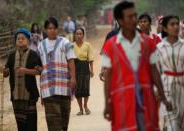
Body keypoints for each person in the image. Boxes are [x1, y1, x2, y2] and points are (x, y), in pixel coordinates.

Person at [101, 1, 172, 131]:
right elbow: (108, 77)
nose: (134, 20)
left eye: (135, 16)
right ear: (120, 20)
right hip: (122, 101)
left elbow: (154, 71)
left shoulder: (148, 43)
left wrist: (163, 96)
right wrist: (107, 103)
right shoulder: (109, 46)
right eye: (130, 17)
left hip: (146, 99)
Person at [0, 28, 42, 131]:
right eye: (18, 38)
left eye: (23, 38)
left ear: (28, 40)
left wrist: (26, 71)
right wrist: (3, 71)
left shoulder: (33, 55)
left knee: (31, 125)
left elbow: (39, 71)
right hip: (16, 95)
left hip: (30, 95)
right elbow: (7, 73)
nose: (20, 40)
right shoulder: (11, 55)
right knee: (20, 125)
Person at [38, 17, 76, 131]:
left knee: (64, 122)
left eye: (54, 28)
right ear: (45, 29)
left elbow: (71, 61)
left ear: (57, 29)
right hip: (48, 89)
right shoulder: (41, 46)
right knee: (53, 123)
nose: (52, 30)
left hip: (64, 87)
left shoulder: (65, 43)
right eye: (49, 28)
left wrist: (73, 78)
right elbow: (39, 67)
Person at [155, 15, 184, 131]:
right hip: (166, 86)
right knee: (172, 123)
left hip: (182, 86)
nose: (176, 27)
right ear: (165, 28)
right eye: (172, 24)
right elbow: (156, 70)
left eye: (177, 24)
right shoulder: (159, 48)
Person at [73, 28, 94, 115]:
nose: (79, 36)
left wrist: (92, 70)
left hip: (85, 67)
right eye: (77, 34)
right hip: (76, 68)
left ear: (83, 35)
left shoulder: (87, 45)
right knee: (77, 90)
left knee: (85, 88)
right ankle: (80, 109)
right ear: (75, 35)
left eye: (80, 34)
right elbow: (70, 60)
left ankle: (85, 106)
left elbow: (91, 59)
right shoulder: (71, 46)